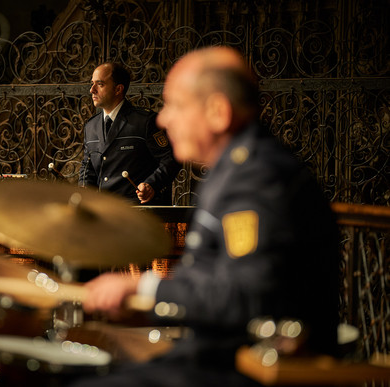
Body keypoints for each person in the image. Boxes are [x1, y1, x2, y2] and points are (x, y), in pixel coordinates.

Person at [72, 46, 340, 386]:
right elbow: (210, 281)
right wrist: (142, 304)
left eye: (176, 106)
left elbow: (245, 296)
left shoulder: (258, 178)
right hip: (216, 355)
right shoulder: (233, 170)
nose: (165, 118)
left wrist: (145, 287)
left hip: (250, 368)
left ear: (218, 112)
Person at [79, 62, 181, 205]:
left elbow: (171, 159)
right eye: (92, 84)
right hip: (104, 212)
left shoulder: (145, 121)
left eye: (100, 84)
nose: (92, 90)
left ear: (118, 89)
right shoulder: (91, 126)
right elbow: (87, 166)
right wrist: (84, 189)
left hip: (136, 212)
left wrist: (152, 184)